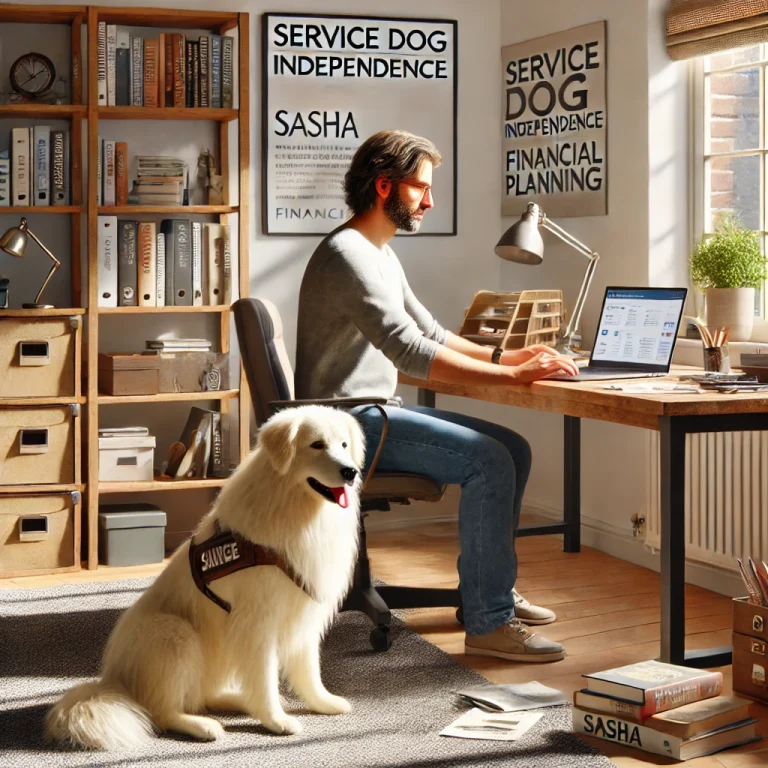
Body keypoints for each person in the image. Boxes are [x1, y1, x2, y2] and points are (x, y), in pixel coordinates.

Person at [295, 130, 578, 662]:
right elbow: (407, 351)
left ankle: (489, 593)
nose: (429, 200)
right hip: (347, 426)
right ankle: (489, 621)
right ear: (385, 187)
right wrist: (512, 380)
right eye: (421, 188)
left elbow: (431, 330)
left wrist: (505, 358)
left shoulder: (376, 251)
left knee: (514, 448)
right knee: (490, 460)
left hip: (369, 416)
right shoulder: (348, 254)